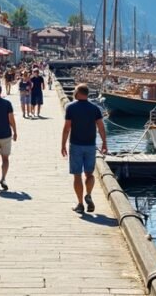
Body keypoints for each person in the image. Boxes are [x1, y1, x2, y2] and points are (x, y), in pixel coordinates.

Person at [61, 84, 107, 214]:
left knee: (77, 175)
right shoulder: (95, 108)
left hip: (76, 145)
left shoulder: (71, 108)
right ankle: (89, 195)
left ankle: (80, 204)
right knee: (89, 174)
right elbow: (101, 127)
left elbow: (67, 128)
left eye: (75, 91)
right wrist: (104, 143)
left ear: (78, 93)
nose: (74, 92)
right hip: (90, 146)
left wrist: (63, 145)